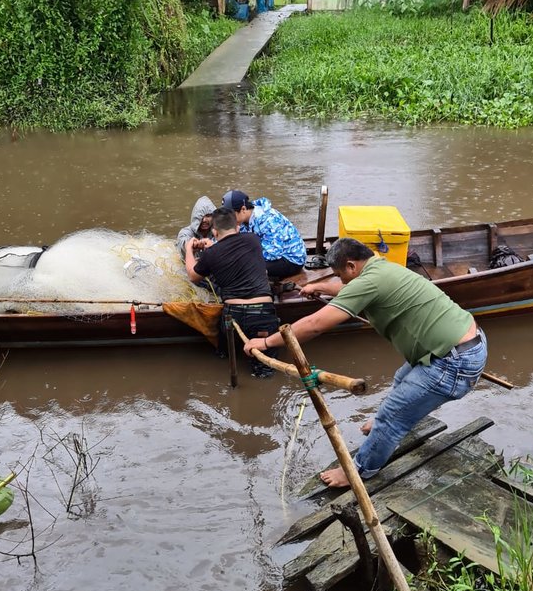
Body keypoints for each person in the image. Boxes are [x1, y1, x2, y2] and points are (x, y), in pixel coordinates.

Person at [244, 238, 487, 486]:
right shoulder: (383, 268)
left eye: (341, 276)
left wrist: (266, 343)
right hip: (465, 343)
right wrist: (323, 288)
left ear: (351, 266)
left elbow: (315, 325)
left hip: (452, 362)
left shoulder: (368, 281)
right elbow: (356, 290)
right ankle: (384, 423)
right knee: (401, 379)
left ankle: (359, 472)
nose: (342, 282)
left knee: (391, 419)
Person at [184, 207, 279, 378]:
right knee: (264, 368)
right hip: (262, 314)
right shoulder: (253, 240)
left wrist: (189, 249)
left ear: (214, 231)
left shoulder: (211, 254)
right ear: (237, 227)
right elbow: (234, 252)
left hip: (232, 317)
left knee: (224, 357)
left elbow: (192, 275)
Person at [221, 189, 306, 279]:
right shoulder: (243, 219)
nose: (228, 219)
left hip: (291, 259)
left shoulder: (268, 220)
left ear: (243, 209)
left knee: (244, 266)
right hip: (272, 253)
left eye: (230, 215)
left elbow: (273, 254)